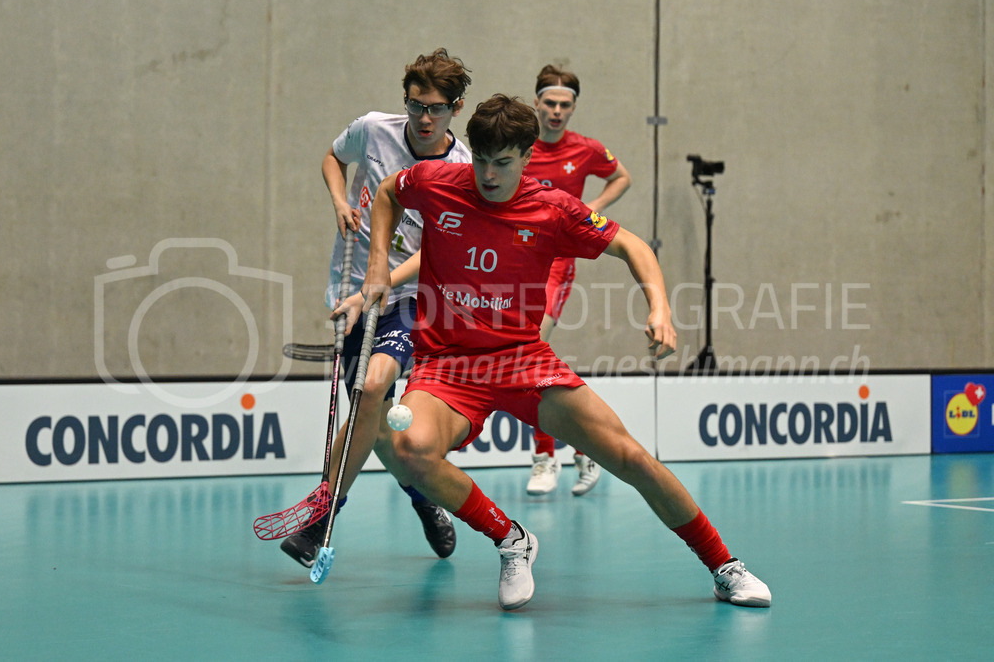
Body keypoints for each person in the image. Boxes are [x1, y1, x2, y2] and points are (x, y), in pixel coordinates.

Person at [360, 94, 771, 611]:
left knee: (630, 457)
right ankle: (512, 539)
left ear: (527, 156)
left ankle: (724, 566)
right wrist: (378, 264)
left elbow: (633, 247)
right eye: (482, 159)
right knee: (410, 452)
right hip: (447, 365)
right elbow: (388, 192)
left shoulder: (553, 209)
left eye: (503, 162)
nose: (488, 174)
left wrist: (660, 308)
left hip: (521, 359)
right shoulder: (438, 182)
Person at [280, 48, 472, 568]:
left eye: (436, 108)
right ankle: (425, 499)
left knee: (369, 390)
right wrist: (341, 200)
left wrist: (378, 286)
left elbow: (437, 254)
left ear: (456, 107)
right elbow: (331, 157)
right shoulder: (373, 129)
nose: (424, 118)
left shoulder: (463, 172)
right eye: (415, 106)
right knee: (378, 422)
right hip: (352, 290)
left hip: (411, 298)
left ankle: (321, 520)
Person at [522, 64, 633, 497]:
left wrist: (591, 210)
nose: (556, 111)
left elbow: (622, 176)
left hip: (557, 264)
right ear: (536, 102)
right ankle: (586, 448)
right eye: (549, 102)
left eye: (564, 105)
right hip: (514, 263)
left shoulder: (585, 149)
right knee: (529, 355)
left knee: (529, 348)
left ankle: (544, 457)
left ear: (573, 108)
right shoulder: (521, 146)